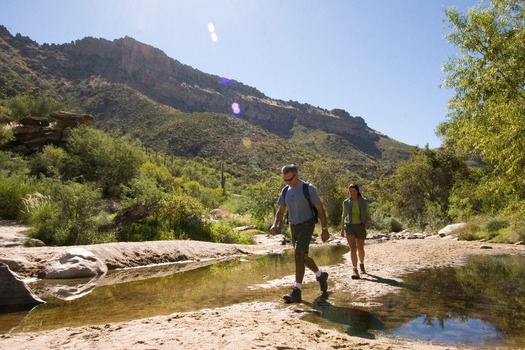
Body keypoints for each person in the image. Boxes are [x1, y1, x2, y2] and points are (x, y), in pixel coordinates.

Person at [270, 164, 330, 303]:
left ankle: (296, 291)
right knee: (302, 257)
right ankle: (320, 275)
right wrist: (275, 224)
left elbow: (320, 210)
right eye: (285, 180)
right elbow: (281, 210)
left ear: (296, 175)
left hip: (307, 224)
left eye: (290, 179)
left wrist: (325, 229)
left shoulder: (308, 188)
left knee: (298, 254)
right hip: (293, 226)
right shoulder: (285, 191)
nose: (288, 182)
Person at [340, 183, 371, 280]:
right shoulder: (346, 202)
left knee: (360, 248)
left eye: (354, 191)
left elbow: (368, 215)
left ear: (357, 191)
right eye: (350, 191)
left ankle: (361, 264)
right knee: (352, 248)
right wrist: (342, 229)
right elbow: (343, 215)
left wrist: (367, 222)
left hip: (360, 226)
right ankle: (355, 269)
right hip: (349, 226)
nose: (352, 193)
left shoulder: (363, 201)